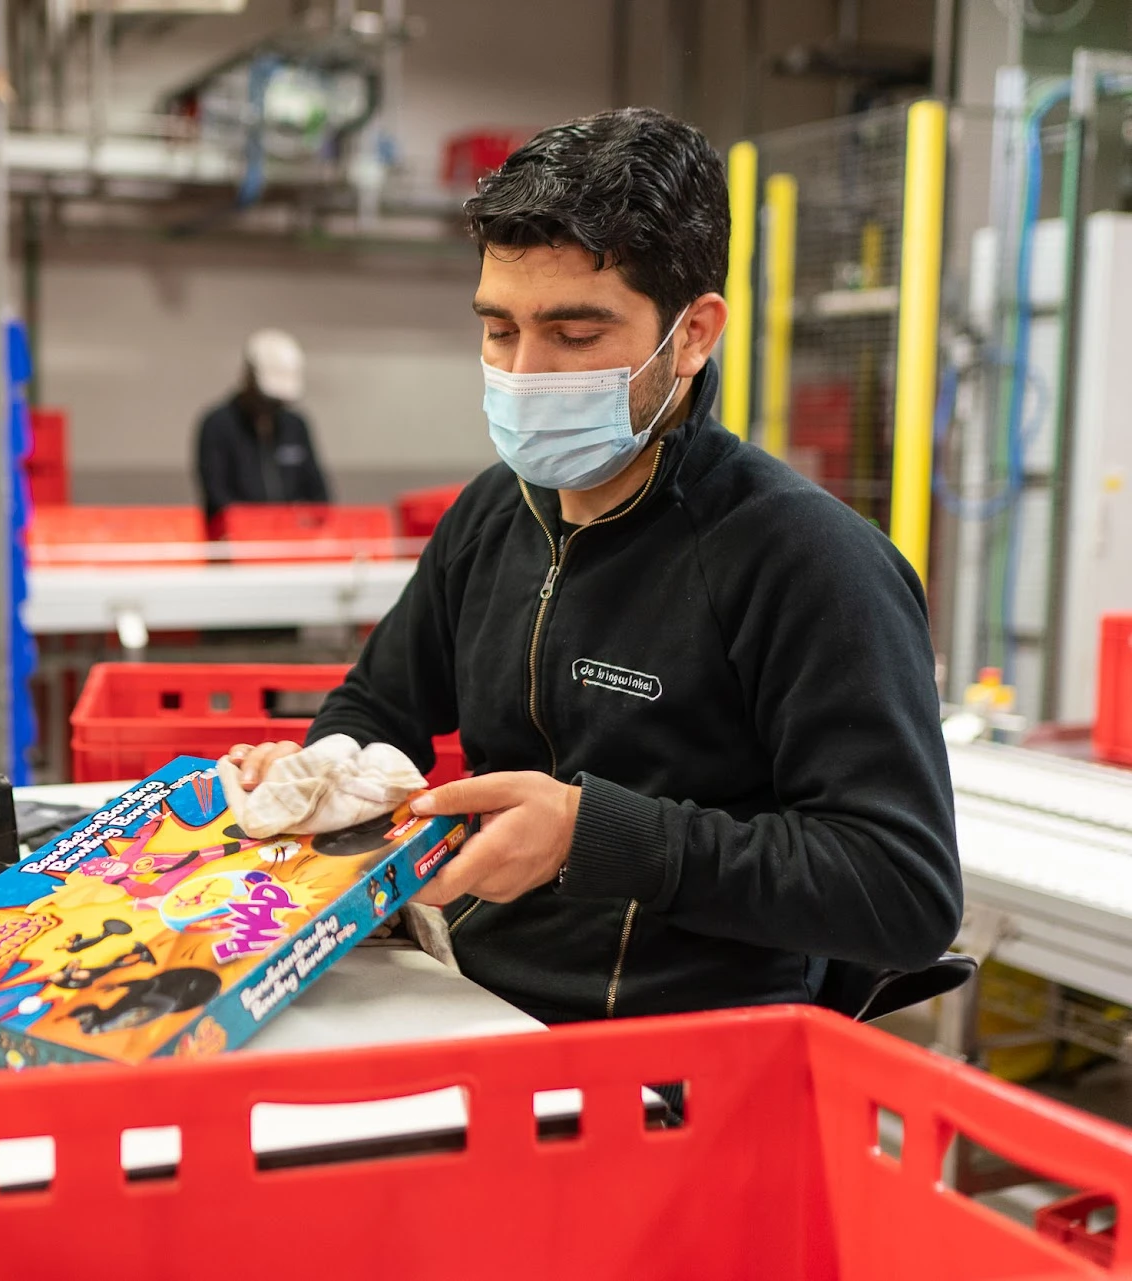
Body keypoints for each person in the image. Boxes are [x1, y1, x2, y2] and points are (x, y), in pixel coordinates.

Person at [229, 108, 961, 1025]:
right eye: (500, 332)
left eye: (575, 338)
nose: (526, 373)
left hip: (683, 1056)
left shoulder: (810, 564)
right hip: (469, 994)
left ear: (693, 335)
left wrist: (594, 835)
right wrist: (331, 770)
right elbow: (380, 705)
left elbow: (903, 889)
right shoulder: (495, 513)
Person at [194, 329, 330, 524]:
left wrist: (300, 521)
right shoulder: (218, 425)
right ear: (248, 379)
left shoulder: (295, 427)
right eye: (267, 399)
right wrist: (260, 524)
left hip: (295, 542)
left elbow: (319, 495)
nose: (272, 407)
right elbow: (218, 497)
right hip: (238, 544)